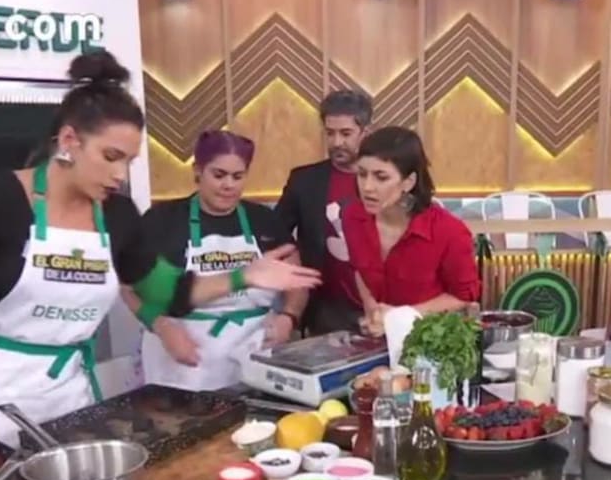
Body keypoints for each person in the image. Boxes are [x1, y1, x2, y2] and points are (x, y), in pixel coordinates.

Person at [0, 51, 319, 452]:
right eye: (111, 157)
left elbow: (165, 292)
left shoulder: (117, 215)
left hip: (68, 397)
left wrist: (244, 276)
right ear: (69, 141)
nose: (120, 175)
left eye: (129, 162)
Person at [137, 130, 308, 391]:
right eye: (219, 175)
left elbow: (297, 279)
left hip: (253, 355)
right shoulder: (162, 220)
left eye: (238, 176)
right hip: (185, 361)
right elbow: (132, 287)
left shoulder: (264, 220)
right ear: (198, 171)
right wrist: (162, 327)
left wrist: (288, 317)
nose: (229, 185)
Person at [342, 126, 480, 335]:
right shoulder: (353, 217)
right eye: (362, 174)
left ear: (408, 182)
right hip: (377, 339)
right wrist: (373, 311)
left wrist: (400, 317)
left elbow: (463, 297)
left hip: (430, 339)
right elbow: (359, 271)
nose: (367, 187)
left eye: (381, 177)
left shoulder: (449, 232)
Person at [274, 90, 373, 335]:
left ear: (365, 133)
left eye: (346, 133)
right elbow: (275, 235)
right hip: (324, 312)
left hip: (382, 306)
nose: (337, 142)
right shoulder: (304, 181)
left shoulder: (384, 179)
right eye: (330, 133)